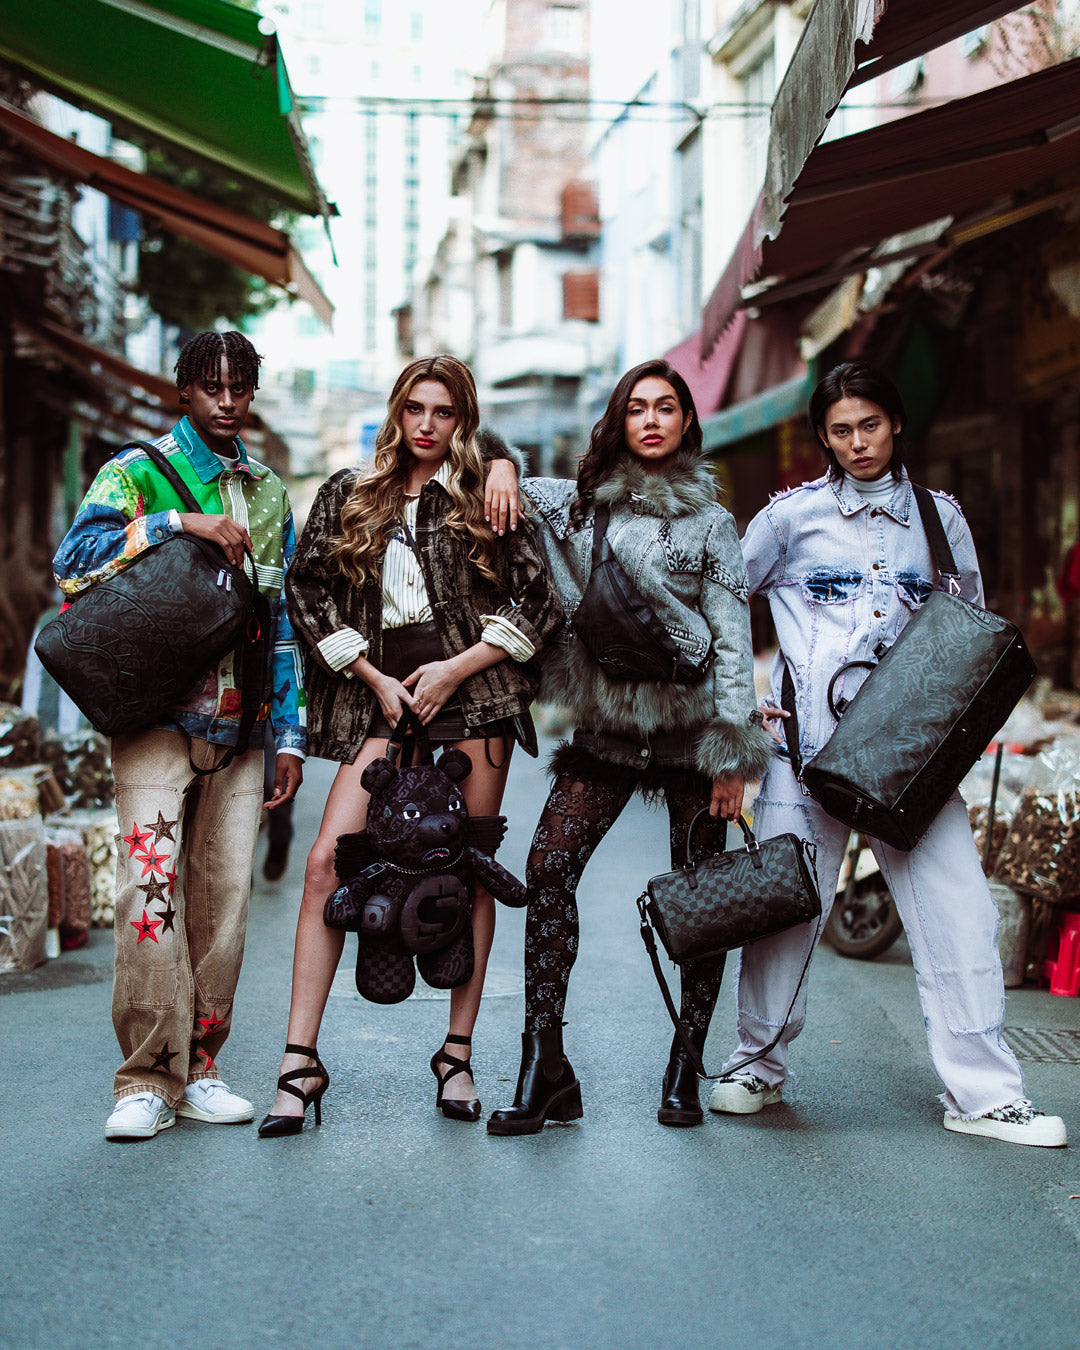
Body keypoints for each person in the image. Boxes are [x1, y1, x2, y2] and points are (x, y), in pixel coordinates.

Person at [709, 361, 1066, 1148]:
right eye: (840, 430)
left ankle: (986, 1096)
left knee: (961, 915)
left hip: (912, 763)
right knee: (785, 911)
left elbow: (966, 637)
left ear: (895, 422)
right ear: (823, 437)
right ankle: (756, 1065)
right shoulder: (789, 518)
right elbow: (723, 598)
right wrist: (740, 706)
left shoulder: (942, 521)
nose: (857, 442)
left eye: (869, 425)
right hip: (805, 753)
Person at [259, 354, 563, 1136]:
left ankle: (456, 1055)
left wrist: (458, 668)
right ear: (396, 411)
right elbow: (306, 589)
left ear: (463, 421)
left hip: (476, 701)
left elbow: (542, 600)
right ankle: (300, 1061)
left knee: (471, 872)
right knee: (327, 863)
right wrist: (368, 674)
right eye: (415, 409)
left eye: (444, 412)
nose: (427, 425)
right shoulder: (349, 493)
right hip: (382, 701)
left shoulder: (487, 494)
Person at [482, 358, 773, 1135]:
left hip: (690, 738)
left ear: (686, 422)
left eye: (665, 407)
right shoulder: (577, 505)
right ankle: (545, 1065)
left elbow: (733, 638)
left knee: (704, 902)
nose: (651, 419)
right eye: (637, 407)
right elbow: (488, 464)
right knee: (548, 869)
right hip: (607, 730)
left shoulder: (713, 523)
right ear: (619, 420)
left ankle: (685, 1064)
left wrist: (733, 756)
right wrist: (502, 461)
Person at [52, 330, 306, 1141]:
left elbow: (284, 622)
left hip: (240, 729)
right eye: (210, 385)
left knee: (224, 903)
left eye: (239, 386)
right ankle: (143, 1079)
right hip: (153, 719)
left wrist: (289, 735)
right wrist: (178, 522)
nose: (226, 400)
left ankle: (200, 1068)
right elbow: (72, 563)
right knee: (149, 893)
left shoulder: (269, 494)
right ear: (185, 390)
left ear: (252, 391)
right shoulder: (133, 472)